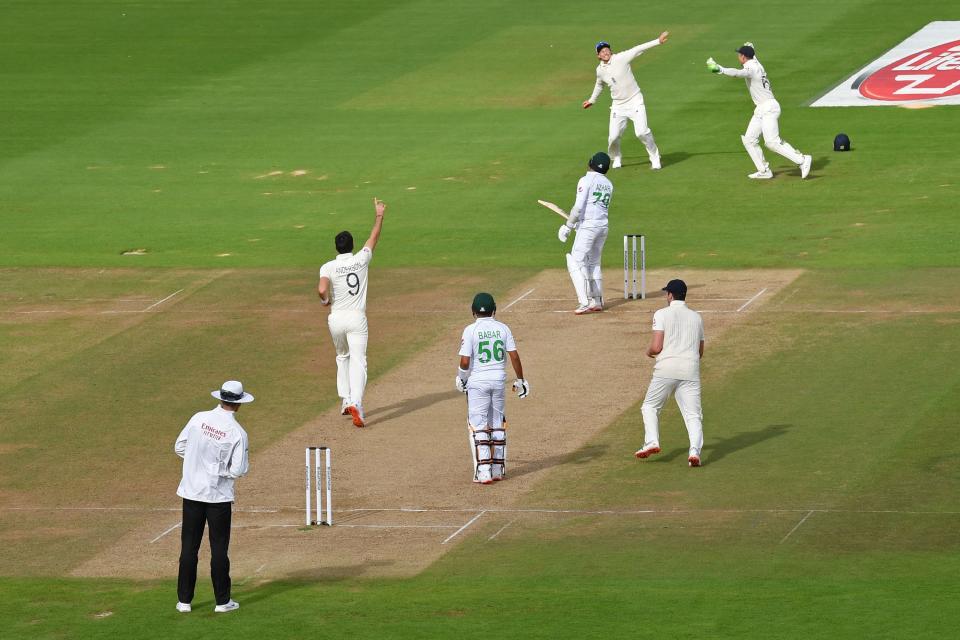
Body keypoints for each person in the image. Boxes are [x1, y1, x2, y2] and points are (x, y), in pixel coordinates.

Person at [174, 380, 252, 613]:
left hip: (192, 493)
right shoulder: (238, 432)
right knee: (219, 549)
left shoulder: (198, 418)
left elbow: (179, 447)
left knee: (189, 548)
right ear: (238, 405)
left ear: (221, 398)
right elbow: (239, 470)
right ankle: (222, 602)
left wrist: (196, 464)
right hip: (218, 497)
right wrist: (219, 471)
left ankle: (184, 601)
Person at [317, 198, 386, 427]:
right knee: (359, 361)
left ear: (337, 248)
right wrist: (379, 215)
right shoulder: (361, 260)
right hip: (357, 318)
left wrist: (325, 300)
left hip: (336, 318)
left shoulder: (328, 266)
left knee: (342, 357)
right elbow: (373, 238)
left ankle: (345, 400)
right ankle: (356, 402)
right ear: (352, 245)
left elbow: (321, 289)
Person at [707, 43, 812, 180]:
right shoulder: (756, 62)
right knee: (749, 140)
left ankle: (802, 160)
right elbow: (752, 55)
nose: (738, 56)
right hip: (762, 109)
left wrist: (719, 69)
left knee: (771, 142)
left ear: (743, 57)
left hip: (769, 108)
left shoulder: (751, 67)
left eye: (739, 54)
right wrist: (750, 46)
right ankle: (764, 171)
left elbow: (738, 73)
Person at [455, 293, 529, 484]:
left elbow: (465, 361)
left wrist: (461, 378)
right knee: (497, 423)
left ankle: (484, 471)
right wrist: (521, 380)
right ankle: (497, 469)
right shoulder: (503, 328)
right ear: (494, 310)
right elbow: (514, 356)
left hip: (478, 382)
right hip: (498, 381)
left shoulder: (470, 330)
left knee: (477, 426)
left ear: (473, 312)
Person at [634, 280, 705, 467]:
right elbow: (700, 352)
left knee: (649, 407)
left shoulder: (661, 314)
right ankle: (694, 453)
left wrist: (648, 352)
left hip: (666, 369)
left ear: (670, 295)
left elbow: (657, 347)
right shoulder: (697, 318)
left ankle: (652, 441)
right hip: (691, 369)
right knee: (693, 416)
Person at [582, 32, 669, 170]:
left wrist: (658, 41)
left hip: (635, 100)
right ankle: (616, 157)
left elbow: (638, 48)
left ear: (610, 50)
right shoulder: (600, 70)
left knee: (642, 132)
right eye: (602, 51)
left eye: (606, 49)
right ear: (598, 56)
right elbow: (599, 84)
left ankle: (654, 157)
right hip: (618, 105)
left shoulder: (621, 58)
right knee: (613, 137)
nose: (605, 52)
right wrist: (592, 100)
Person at [558, 152, 613, 314]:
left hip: (589, 227)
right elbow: (595, 208)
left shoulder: (585, 180)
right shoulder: (609, 184)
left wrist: (568, 226)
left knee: (574, 261)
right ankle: (597, 300)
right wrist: (579, 225)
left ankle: (585, 301)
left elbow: (578, 207)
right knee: (594, 262)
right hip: (602, 226)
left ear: (590, 163)